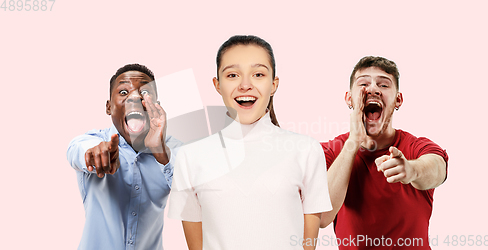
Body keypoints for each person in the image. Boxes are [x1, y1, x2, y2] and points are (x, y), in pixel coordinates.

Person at [168, 35, 332, 250]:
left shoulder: (306, 150)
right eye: (233, 75)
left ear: (274, 85)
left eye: (258, 74)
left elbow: (307, 245)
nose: (245, 85)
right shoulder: (189, 157)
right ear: (217, 84)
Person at [320, 56, 449, 249]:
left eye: (384, 85)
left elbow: (438, 169)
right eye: (363, 83)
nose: (373, 89)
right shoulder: (330, 152)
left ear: (398, 99)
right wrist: (352, 143)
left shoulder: (416, 147)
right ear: (349, 98)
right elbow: (322, 217)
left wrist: (411, 170)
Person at [66, 64, 182, 250]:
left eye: (145, 92)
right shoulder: (92, 141)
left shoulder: (173, 150)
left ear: (156, 106)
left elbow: (193, 197)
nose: (135, 97)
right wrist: (96, 157)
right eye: (123, 92)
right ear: (109, 107)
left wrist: (160, 151)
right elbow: (77, 151)